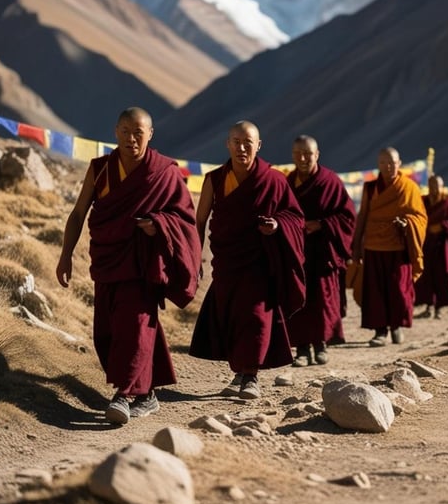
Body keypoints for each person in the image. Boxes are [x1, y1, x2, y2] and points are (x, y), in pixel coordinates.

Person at [56, 107, 201, 425]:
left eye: (138, 132)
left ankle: (124, 395)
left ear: (150, 134)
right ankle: (146, 395)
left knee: (134, 328)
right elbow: (79, 213)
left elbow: (184, 218)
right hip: (107, 260)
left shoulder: (164, 172)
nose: (131, 138)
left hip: (143, 264)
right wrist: (65, 254)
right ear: (115, 132)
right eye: (125, 131)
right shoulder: (100, 169)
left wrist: (159, 225)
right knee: (105, 334)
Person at [189, 121, 305, 400]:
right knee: (232, 317)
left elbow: (295, 217)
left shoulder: (274, 180)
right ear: (227, 144)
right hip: (228, 261)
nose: (242, 147)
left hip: (260, 263)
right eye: (236, 141)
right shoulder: (214, 179)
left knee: (256, 317)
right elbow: (200, 220)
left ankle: (251, 375)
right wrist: (194, 258)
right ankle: (240, 371)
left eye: (248, 142)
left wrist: (277, 226)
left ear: (259, 145)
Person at [286, 135, 356, 366]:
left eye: (308, 154)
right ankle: (302, 350)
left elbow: (347, 217)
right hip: (297, 253)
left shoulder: (330, 181)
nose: (303, 158)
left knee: (323, 302)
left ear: (317, 155)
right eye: (298, 154)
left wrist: (322, 224)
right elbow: (281, 212)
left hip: (324, 252)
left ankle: (321, 345)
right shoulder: (288, 182)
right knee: (299, 299)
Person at [351, 147, 427, 346]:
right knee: (375, 292)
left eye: (392, 163)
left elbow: (420, 217)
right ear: (378, 165)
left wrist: (407, 224)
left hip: (398, 247)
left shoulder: (409, 187)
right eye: (383, 163)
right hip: (374, 245)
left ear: (399, 164)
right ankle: (380, 331)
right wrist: (356, 246)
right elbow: (362, 217)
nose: (388, 167)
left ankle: (397, 326)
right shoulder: (370, 188)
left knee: (398, 290)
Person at [414, 175, 448, 319]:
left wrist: (443, 226)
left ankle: (440, 307)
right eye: (431, 186)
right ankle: (429, 306)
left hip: (443, 248)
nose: (434, 189)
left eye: (437, 186)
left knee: (443, 277)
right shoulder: (422, 202)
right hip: (424, 246)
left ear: (443, 187)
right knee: (425, 276)